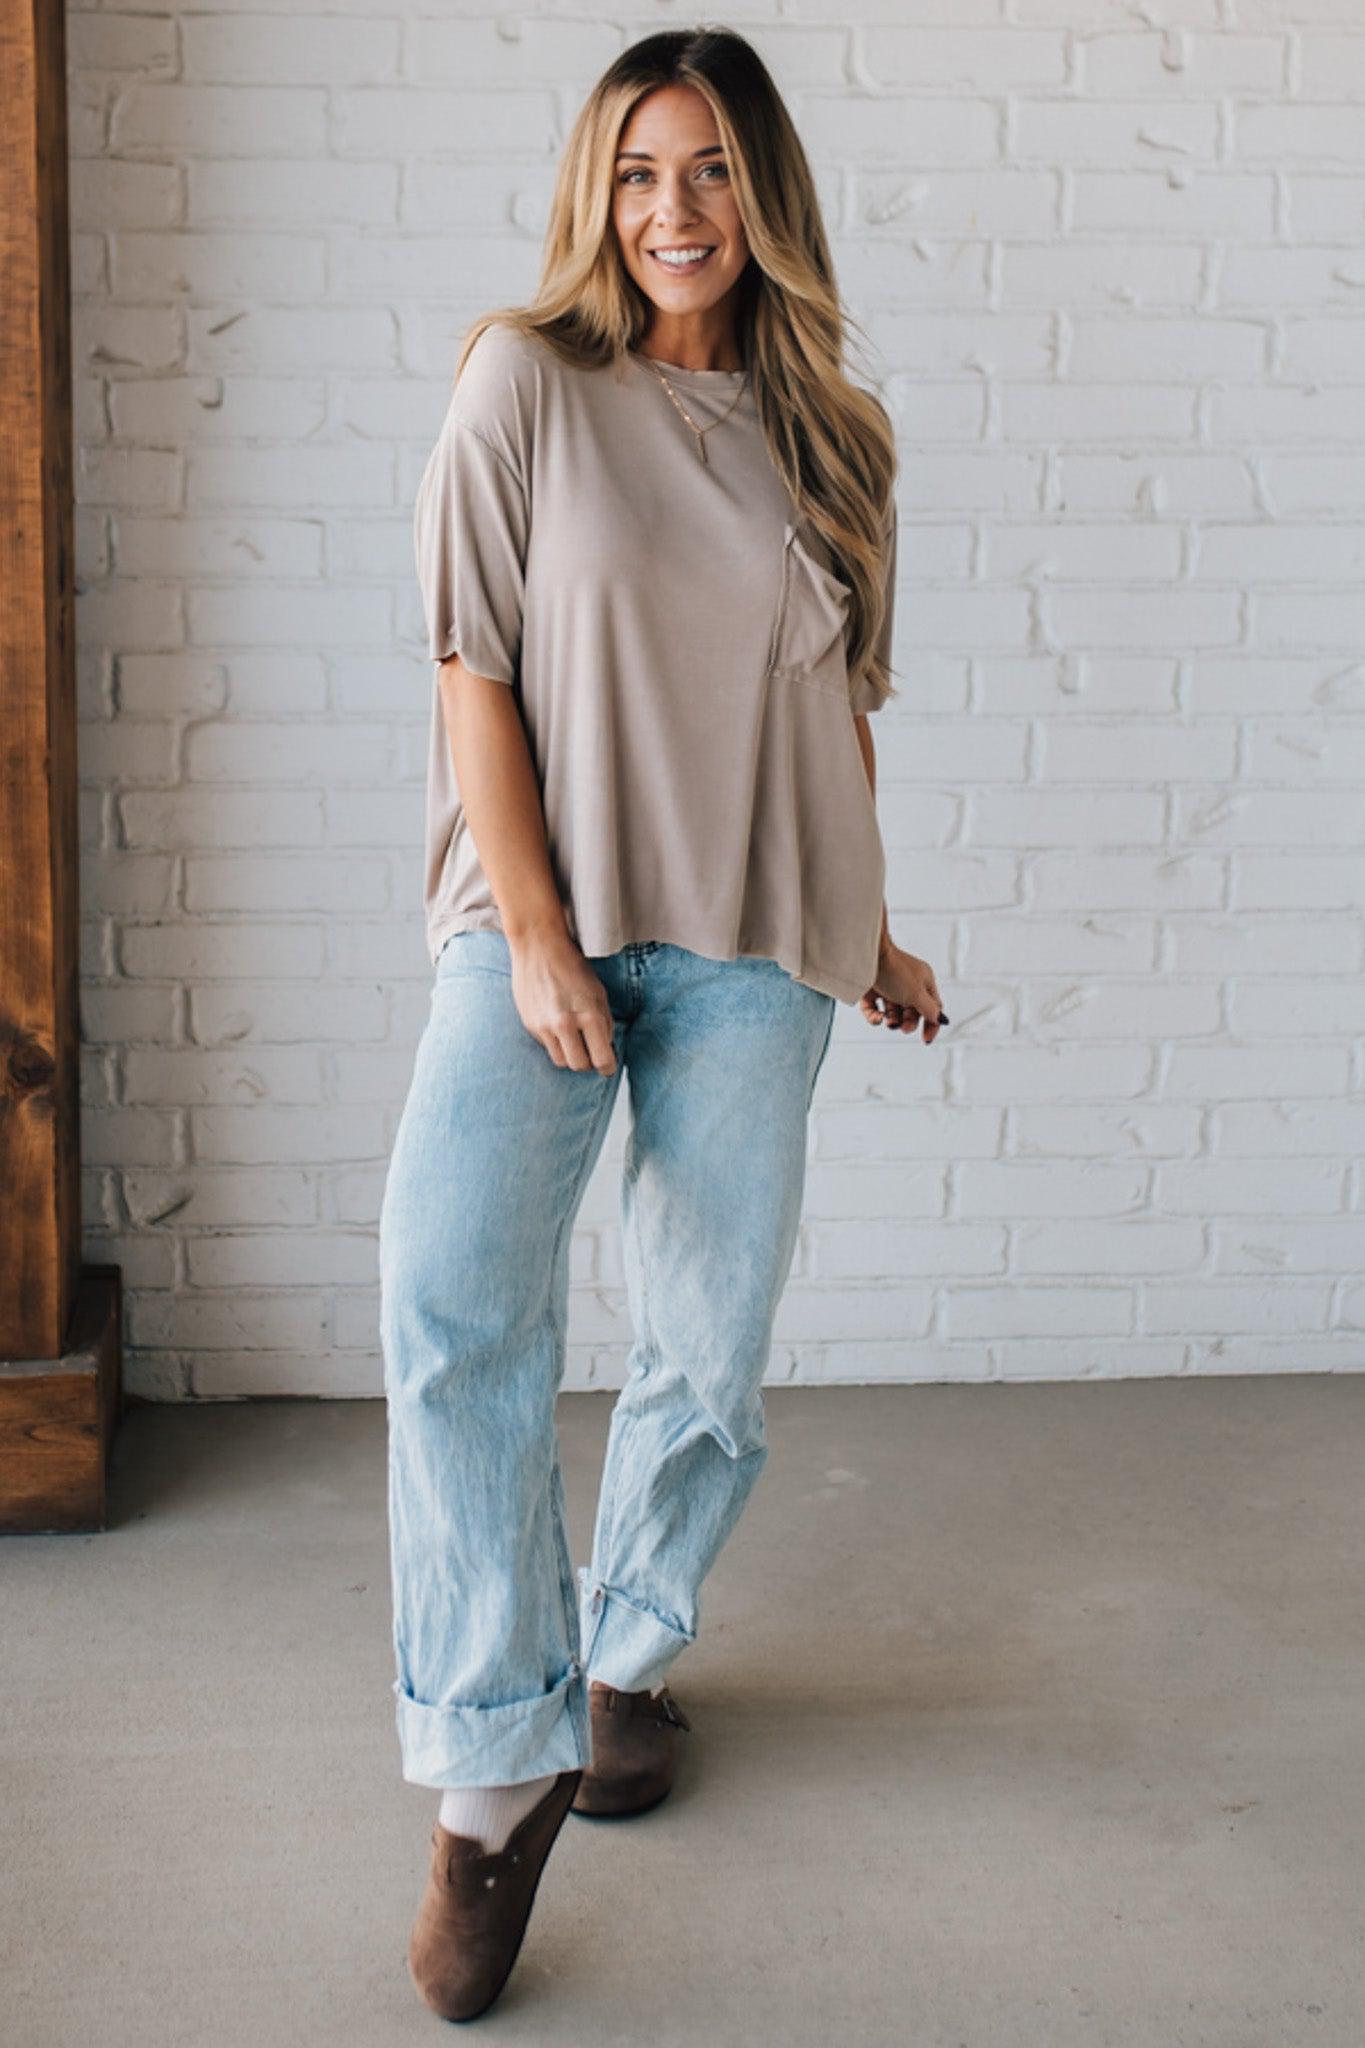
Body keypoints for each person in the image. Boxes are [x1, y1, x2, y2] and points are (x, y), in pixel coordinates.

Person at [379, 24, 947, 2024]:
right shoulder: (524, 384)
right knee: (452, 1303)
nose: (672, 213)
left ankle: (621, 1658)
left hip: (753, 945)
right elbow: (473, 667)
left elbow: (830, 716)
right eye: (637, 172)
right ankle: (491, 1766)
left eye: (708, 173)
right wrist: (532, 935)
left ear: (760, 195)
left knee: (704, 1349)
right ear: (591, 192)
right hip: (544, 926)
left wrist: (866, 928)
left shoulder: (831, 442)